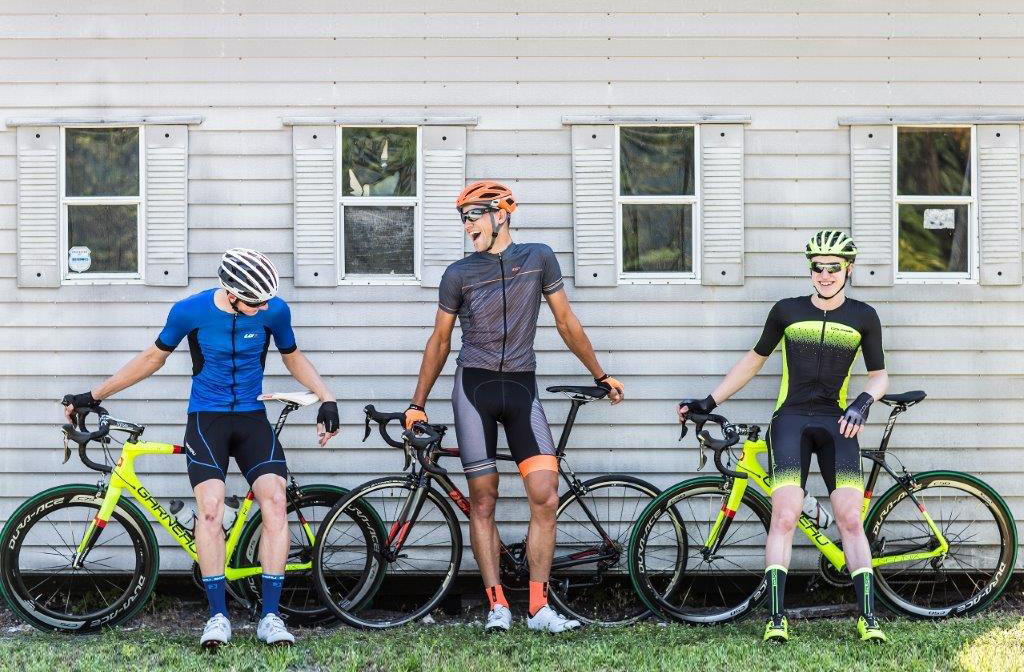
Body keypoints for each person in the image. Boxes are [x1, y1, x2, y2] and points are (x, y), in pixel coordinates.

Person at [62, 248, 340, 648]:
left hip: (252, 418)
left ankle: (271, 617)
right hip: (207, 419)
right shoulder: (189, 311)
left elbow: (293, 358)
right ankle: (217, 617)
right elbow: (151, 359)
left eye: (267, 300)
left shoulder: (275, 311)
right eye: (256, 302)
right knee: (210, 509)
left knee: (276, 501)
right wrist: (94, 394)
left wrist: (326, 397)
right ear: (232, 294)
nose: (264, 307)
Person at [404, 180, 624, 633]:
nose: (467, 225)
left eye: (473, 215)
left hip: (522, 387)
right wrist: (416, 404)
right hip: (474, 388)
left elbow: (566, 322)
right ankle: (497, 605)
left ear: (501, 214)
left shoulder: (538, 258)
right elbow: (440, 341)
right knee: (483, 499)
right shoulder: (458, 273)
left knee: (546, 493)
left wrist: (600, 374)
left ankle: (539, 607)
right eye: (462, 218)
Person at [679, 230, 888, 643]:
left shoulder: (864, 316)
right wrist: (709, 400)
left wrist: (864, 402)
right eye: (817, 267)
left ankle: (868, 618)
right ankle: (776, 618)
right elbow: (753, 362)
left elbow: (879, 376)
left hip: (837, 422)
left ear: (848, 269)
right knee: (786, 514)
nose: (825, 275)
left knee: (850, 518)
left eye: (833, 267)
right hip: (790, 420)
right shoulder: (787, 311)